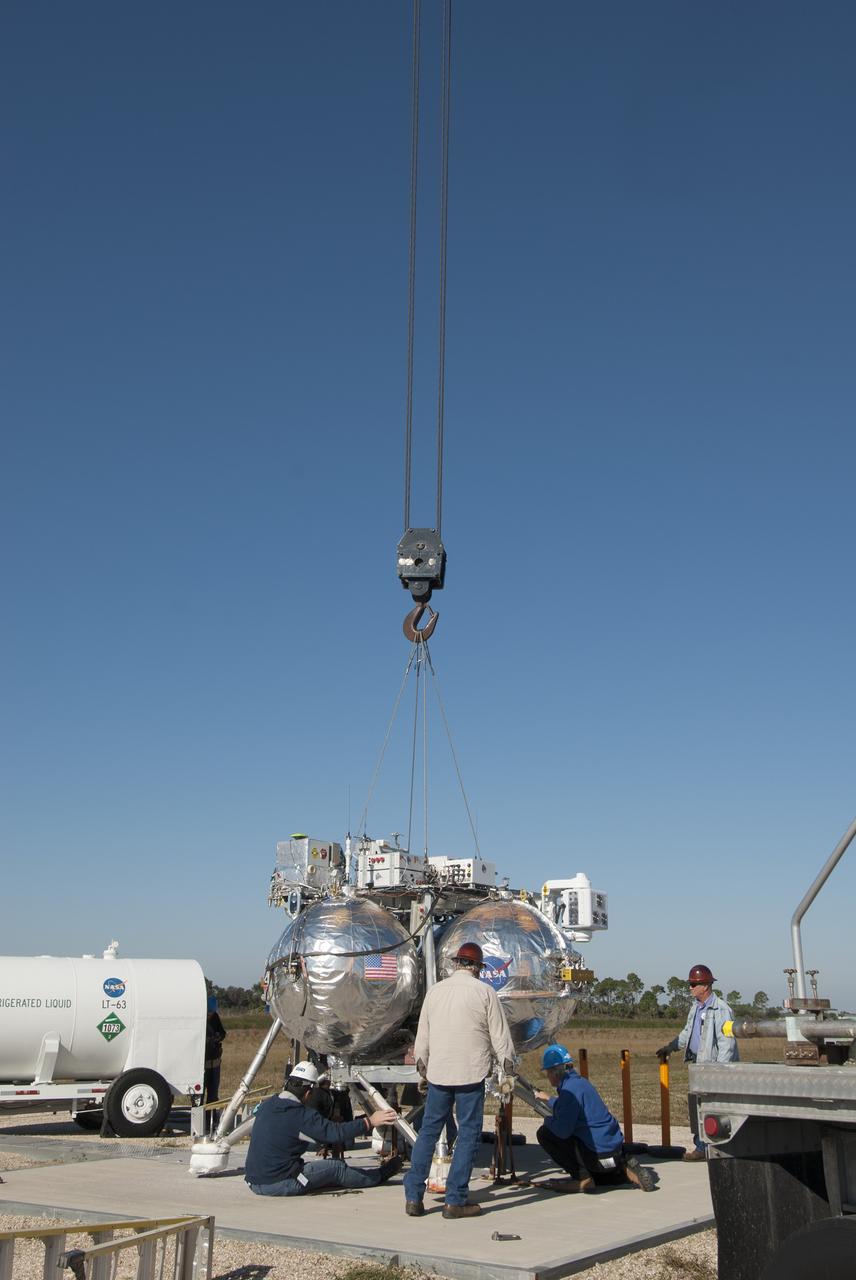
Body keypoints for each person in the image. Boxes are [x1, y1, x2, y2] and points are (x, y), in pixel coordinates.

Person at [403, 940, 516, 1219]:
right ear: (477, 967)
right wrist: (508, 1072)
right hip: (470, 1073)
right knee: (468, 1135)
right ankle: (455, 1200)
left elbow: (423, 1037)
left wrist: (422, 1067)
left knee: (428, 1133)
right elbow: (500, 1037)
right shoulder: (485, 992)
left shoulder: (435, 992)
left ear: (456, 964)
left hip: (439, 1073)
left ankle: (413, 1198)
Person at [244, 1061, 400, 1196]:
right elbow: (335, 1134)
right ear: (308, 1093)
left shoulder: (267, 1104)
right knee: (336, 1168)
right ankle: (379, 1175)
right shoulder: (300, 1115)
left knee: (320, 1171)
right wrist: (370, 1121)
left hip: (254, 1182)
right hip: (279, 1183)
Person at [533, 1044, 656, 1193]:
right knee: (603, 1177)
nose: (547, 1076)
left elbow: (562, 1131)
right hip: (614, 1151)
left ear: (554, 1073)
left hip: (596, 1157)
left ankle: (583, 1178)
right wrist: (549, 1099)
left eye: (547, 1072)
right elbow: (570, 1105)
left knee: (545, 1133)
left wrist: (547, 1119)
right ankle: (625, 1171)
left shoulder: (568, 1093)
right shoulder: (582, 1084)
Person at [656, 963, 739, 1162]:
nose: (690, 988)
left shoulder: (721, 1010)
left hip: (713, 1069)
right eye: (691, 984)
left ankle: (709, 1148)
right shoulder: (696, 1007)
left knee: (713, 1109)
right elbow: (687, 1033)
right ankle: (701, 1146)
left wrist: (719, 1071)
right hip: (698, 1067)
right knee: (697, 1108)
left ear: (706, 985)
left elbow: (727, 1044)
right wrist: (671, 1047)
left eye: (694, 984)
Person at [204, 995, 227, 1127]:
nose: (210, 1016)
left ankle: (211, 1120)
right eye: (208, 1013)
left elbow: (223, 1032)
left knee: (213, 1094)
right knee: (200, 1096)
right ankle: (200, 1121)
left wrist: (218, 1038)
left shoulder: (215, 1018)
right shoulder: (200, 1019)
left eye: (211, 1013)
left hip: (215, 1063)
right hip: (203, 1064)